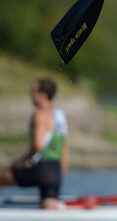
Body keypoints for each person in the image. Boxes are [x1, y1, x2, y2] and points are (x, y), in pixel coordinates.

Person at [0, 78, 69, 209]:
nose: (30, 94)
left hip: (41, 169)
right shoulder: (60, 116)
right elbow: (64, 150)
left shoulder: (39, 114)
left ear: (43, 95)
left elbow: (38, 145)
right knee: (48, 211)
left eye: (33, 91)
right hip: (55, 172)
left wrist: (20, 162)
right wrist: (60, 174)